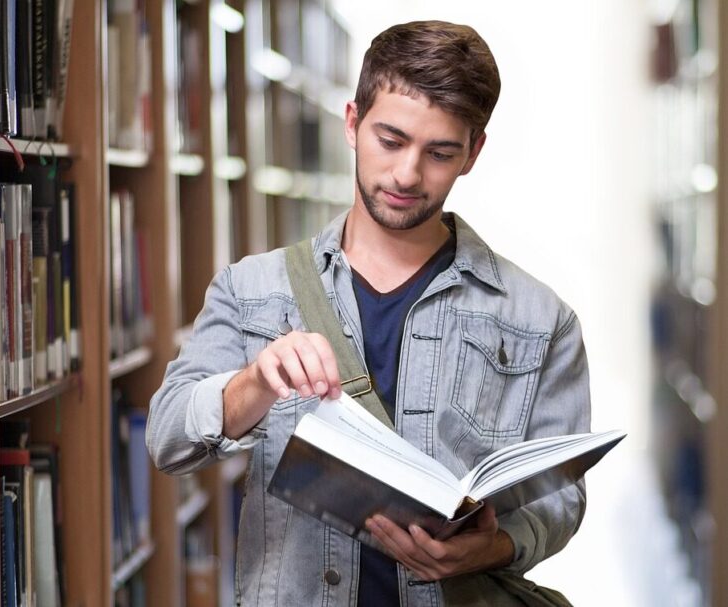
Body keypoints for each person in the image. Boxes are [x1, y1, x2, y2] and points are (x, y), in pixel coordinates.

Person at [147, 20, 590, 606]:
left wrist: (494, 546)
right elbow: (168, 439)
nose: (408, 174)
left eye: (440, 153)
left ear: (473, 153)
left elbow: (561, 498)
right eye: (391, 140)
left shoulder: (541, 319)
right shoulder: (252, 289)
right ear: (353, 123)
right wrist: (253, 381)